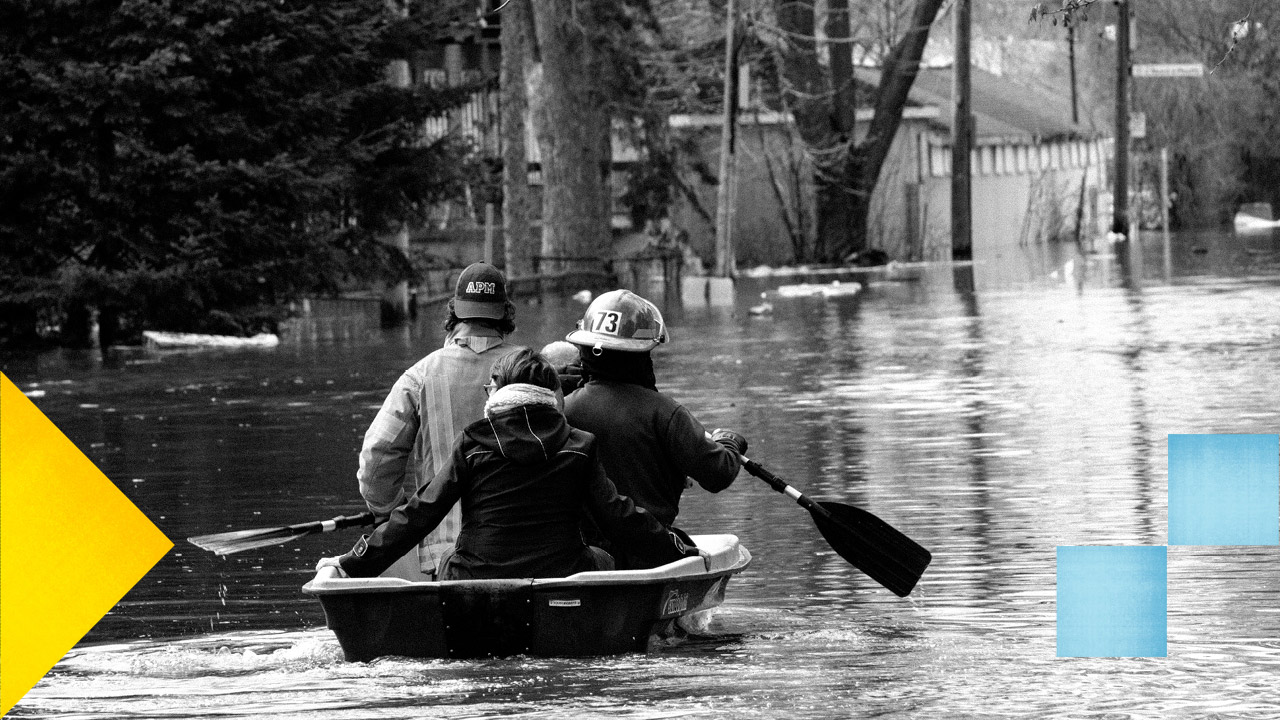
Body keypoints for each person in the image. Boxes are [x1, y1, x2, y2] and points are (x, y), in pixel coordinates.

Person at [319, 348, 698, 580]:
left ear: (497, 393)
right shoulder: (580, 445)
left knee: (449, 556)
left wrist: (355, 562)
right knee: (604, 556)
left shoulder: (473, 441)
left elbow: (421, 512)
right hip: (562, 572)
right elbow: (619, 516)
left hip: (473, 576)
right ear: (552, 396)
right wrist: (677, 549)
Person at [356, 262, 523, 580]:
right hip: (525, 547)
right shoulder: (535, 370)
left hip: (445, 553)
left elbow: (377, 458)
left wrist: (390, 512)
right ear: (505, 313)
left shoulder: (419, 376)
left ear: (454, 313)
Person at [559, 289, 748, 563]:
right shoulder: (666, 413)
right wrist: (730, 443)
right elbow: (718, 473)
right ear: (642, 352)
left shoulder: (560, 410)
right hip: (651, 550)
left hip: (581, 555)